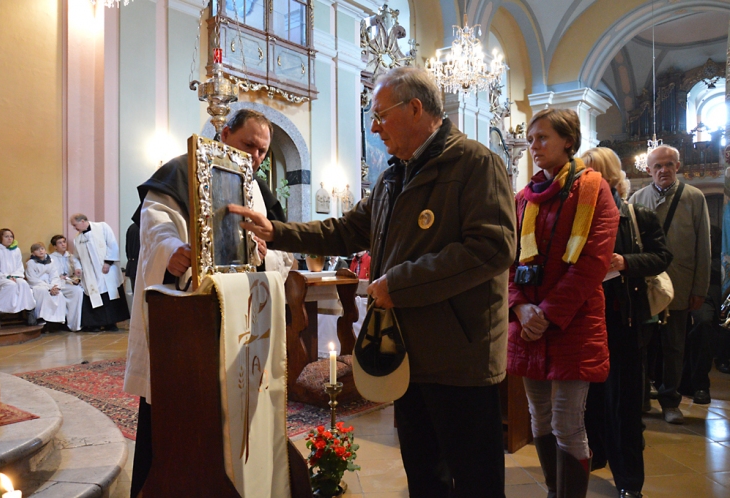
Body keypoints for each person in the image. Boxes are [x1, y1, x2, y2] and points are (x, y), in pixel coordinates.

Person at [231, 66, 516, 497]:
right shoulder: (391, 178)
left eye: (381, 114)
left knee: (475, 479)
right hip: (406, 353)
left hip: (460, 356)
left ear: (416, 108)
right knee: (424, 474)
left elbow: (492, 249)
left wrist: (398, 284)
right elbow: (343, 231)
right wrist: (276, 230)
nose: (374, 126)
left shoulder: (475, 163)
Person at [124, 108, 292, 498]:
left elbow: (279, 250)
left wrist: (266, 254)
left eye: (263, 151)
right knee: (180, 412)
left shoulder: (257, 190)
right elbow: (155, 228)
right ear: (225, 132)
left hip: (241, 321)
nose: (255, 157)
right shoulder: (181, 171)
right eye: (249, 144)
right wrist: (173, 250)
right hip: (188, 321)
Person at [507, 109, 619, 498]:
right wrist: (520, 308)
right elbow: (511, 261)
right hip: (527, 325)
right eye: (530, 139)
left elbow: (593, 262)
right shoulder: (524, 197)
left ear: (568, 141)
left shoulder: (594, 189)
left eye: (542, 138)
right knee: (539, 416)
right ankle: (556, 492)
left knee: (567, 422)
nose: (533, 146)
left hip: (574, 323)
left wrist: (548, 314)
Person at [581, 147, 672, 498]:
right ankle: (595, 456)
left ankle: (629, 483)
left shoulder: (638, 216)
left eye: (589, 174)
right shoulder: (578, 216)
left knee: (624, 405)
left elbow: (663, 256)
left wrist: (625, 260)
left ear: (606, 177)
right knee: (590, 401)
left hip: (624, 321)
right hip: (586, 320)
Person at [630, 144, 711, 423]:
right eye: (657, 166)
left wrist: (699, 288)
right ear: (649, 169)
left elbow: (704, 246)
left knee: (674, 346)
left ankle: (670, 400)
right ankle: (640, 398)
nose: (663, 170)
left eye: (668, 165)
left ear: (678, 166)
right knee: (641, 346)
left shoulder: (694, 197)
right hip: (647, 287)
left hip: (680, 283)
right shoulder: (637, 199)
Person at [680, 225, 722, 404]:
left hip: (717, 291)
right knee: (702, 324)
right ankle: (698, 385)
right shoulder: (696, 230)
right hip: (697, 289)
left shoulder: (719, 232)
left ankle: (700, 383)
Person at [70, 213, 130, 332]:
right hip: (90, 273)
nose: (74, 228)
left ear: (82, 221)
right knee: (94, 296)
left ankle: (111, 323)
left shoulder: (102, 227)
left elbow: (112, 245)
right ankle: (96, 323)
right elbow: (75, 256)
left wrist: (108, 262)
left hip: (106, 270)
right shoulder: (78, 238)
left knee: (110, 295)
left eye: (75, 225)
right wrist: (77, 267)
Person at [0, 228, 37, 325]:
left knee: (24, 284)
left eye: (11, 236)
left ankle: (30, 311)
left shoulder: (16, 250)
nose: (9, 239)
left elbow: (19, 267)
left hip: (14, 277)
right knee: (10, 285)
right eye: (6, 236)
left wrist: (14, 276)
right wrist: (7, 276)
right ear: (0, 238)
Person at [26, 242, 67, 326]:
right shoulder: (31, 263)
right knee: (43, 292)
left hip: (50, 285)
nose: (41, 251)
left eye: (42, 249)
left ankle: (57, 320)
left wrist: (55, 287)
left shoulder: (51, 261)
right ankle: (42, 318)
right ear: (33, 253)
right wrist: (49, 288)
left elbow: (54, 276)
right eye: (37, 250)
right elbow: (32, 278)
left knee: (59, 295)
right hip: (38, 285)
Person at [50, 235, 84, 331]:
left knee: (79, 290)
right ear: (55, 246)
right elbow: (50, 273)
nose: (63, 244)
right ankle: (65, 322)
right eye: (60, 243)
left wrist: (77, 275)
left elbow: (77, 270)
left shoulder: (71, 257)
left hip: (69, 282)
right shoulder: (51, 258)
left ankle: (75, 324)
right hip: (58, 283)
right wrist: (59, 277)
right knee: (70, 292)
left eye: (64, 242)